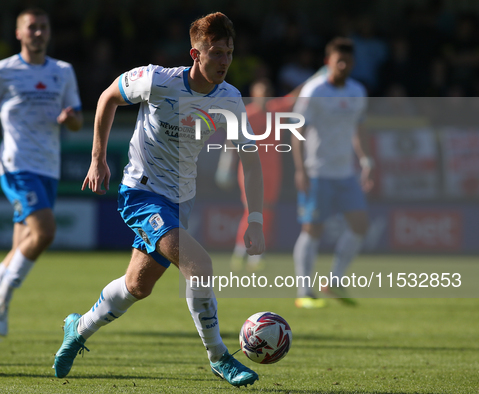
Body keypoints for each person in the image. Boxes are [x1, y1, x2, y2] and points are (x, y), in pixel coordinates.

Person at [53, 12, 265, 388]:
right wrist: (97, 159)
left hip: (182, 200)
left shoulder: (230, 99)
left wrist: (257, 219)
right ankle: (219, 357)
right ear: (195, 54)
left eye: (229, 52)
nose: (225, 61)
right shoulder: (157, 79)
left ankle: (78, 327)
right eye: (216, 52)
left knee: (137, 286)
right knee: (199, 264)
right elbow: (107, 98)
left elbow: (250, 160)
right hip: (142, 192)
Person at [0, 7, 83, 342]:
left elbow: (77, 120)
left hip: (49, 167)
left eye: (43, 27)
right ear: (18, 33)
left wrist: (68, 119)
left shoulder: (63, 71)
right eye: (31, 27)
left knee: (22, 244)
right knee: (45, 232)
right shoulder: (2, 70)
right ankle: (2, 299)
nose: (38, 33)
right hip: (16, 164)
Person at [291, 37, 373, 309]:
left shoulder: (358, 91)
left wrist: (365, 159)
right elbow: (297, 132)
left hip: (345, 173)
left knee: (360, 225)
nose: (343, 65)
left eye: (348, 61)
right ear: (328, 62)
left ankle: (334, 281)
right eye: (339, 61)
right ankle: (304, 292)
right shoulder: (313, 91)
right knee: (312, 229)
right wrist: (300, 170)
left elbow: (358, 129)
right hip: (317, 172)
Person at [215, 78, 289, 271]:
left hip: (273, 171)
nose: (264, 97)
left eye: (267, 93)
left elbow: (295, 97)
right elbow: (231, 142)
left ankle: (254, 253)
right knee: (252, 210)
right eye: (260, 93)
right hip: (250, 170)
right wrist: (225, 166)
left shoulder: (276, 110)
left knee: (268, 211)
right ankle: (244, 252)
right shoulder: (246, 114)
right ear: (254, 95)